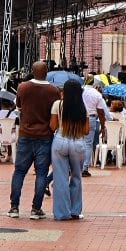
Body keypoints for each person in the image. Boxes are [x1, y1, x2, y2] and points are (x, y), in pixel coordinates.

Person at [7, 61, 60, 220]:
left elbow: (19, 106)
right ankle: (36, 209)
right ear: (46, 73)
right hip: (45, 136)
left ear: (32, 71)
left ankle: (14, 207)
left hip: (26, 134)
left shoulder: (23, 87)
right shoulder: (53, 90)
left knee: (19, 171)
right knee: (42, 173)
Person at [49, 79, 92, 220]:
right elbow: (86, 131)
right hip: (78, 141)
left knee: (60, 178)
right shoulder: (82, 107)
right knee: (77, 177)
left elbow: (53, 126)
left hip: (61, 140)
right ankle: (75, 210)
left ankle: (62, 213)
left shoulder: (58, 105)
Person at [80, 77, 109, 176]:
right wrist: (103, 125)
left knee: (76, 142)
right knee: (88, 144)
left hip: (78, 118)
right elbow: (101, 112)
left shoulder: (80, 91)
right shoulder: (96, 94)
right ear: (93, 82)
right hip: (91, 118)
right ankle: (84, 168)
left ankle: (74, 167)